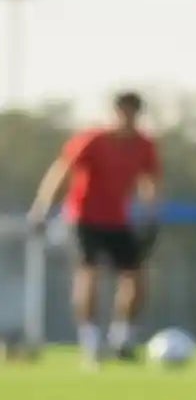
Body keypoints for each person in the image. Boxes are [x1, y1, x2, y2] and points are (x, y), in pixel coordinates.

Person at [29, 91, 162, 365]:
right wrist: (42, 208)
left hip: (118, 220)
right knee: (89, 272)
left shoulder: (143, 145)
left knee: (136, 277)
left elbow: (150, 181)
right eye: (123, 111)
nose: (127, 118)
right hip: (83, 217)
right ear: (115, 112)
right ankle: (90, 341)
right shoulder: (92, 140)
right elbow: (62, 170)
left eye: (132, 112)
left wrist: (151, 213)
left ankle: (122, 338)